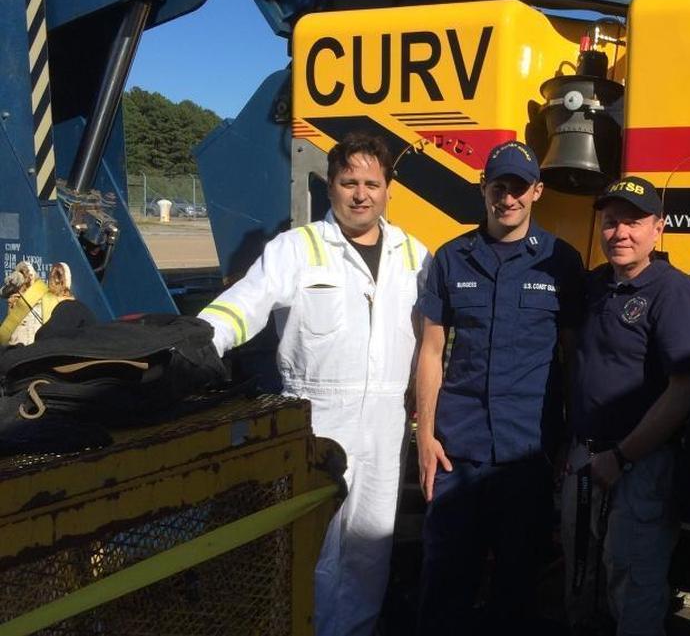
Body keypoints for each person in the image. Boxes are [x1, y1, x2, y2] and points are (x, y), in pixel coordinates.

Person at [198, 133, 430, 636]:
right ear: (331, 186)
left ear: (389, 189)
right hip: (317, 418)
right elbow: (245, 304)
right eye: (349, 182)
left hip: (389, 424)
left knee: (372, 549)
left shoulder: (415, 256)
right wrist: (196, 344)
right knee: (312, 545)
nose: (361, 193)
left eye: (372, 182)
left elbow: (436, 340)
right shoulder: (296, 249)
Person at [413, 140, 584, 635]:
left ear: (537, 192)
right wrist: (425, 436)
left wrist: (571, 439)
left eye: (518, 188)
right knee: (445, 582)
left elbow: (573, 358)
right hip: (456, 451)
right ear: (484, 189)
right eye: (498, 186)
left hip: (528, 454)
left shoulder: (561, 262)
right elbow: (429, 351)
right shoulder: (451, 259)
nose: (507, 198)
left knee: (517, 588)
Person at [561, 177, 690, 636]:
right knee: (580, 574)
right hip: (584, 458)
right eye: (610, 222)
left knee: (632, 581)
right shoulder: (594, 286)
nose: (620, 233)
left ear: (658, 229)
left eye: (633, 223)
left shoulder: (674, 293)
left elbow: (682, 392)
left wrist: (622, 457)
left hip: (639, 466)